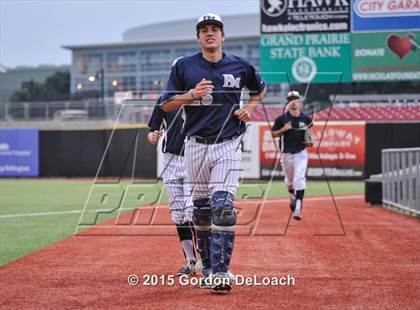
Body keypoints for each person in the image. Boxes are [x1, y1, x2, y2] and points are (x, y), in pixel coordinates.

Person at [160, 13, 266, 292]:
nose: (210, 33)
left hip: (228, 143)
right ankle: (206, 267)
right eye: (204, 30)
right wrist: (191, 95)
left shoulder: (240, 66)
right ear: (198, 37)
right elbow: (166, 105)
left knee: (223, 208)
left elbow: (260, 90)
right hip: (194, 145)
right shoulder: (184, 67)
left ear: (222, 35)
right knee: (202, 212)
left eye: (215, 29)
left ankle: (221, 272)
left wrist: (250, 108)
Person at [147, 96, 196, 276]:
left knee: (193, 211)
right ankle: (190, 261)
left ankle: (207, 259)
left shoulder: (199, 97)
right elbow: (153, 130)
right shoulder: (165, 100)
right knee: (178, 214)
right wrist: (152, 136)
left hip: (193, 156)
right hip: (170, 160)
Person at [271, 91, 313, 220]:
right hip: (286, 154)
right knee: (290, 182)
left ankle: (298, 208)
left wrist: (310, 142)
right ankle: (292, 197)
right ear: (288, 102)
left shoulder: (306, 119)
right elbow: (273, 134)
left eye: (295, 99)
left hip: (301, 153)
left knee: (299, 178)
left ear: (300, 101)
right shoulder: (282, 119)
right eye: (290, 99)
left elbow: (309, 136)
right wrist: (283, 129)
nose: (293, 101)